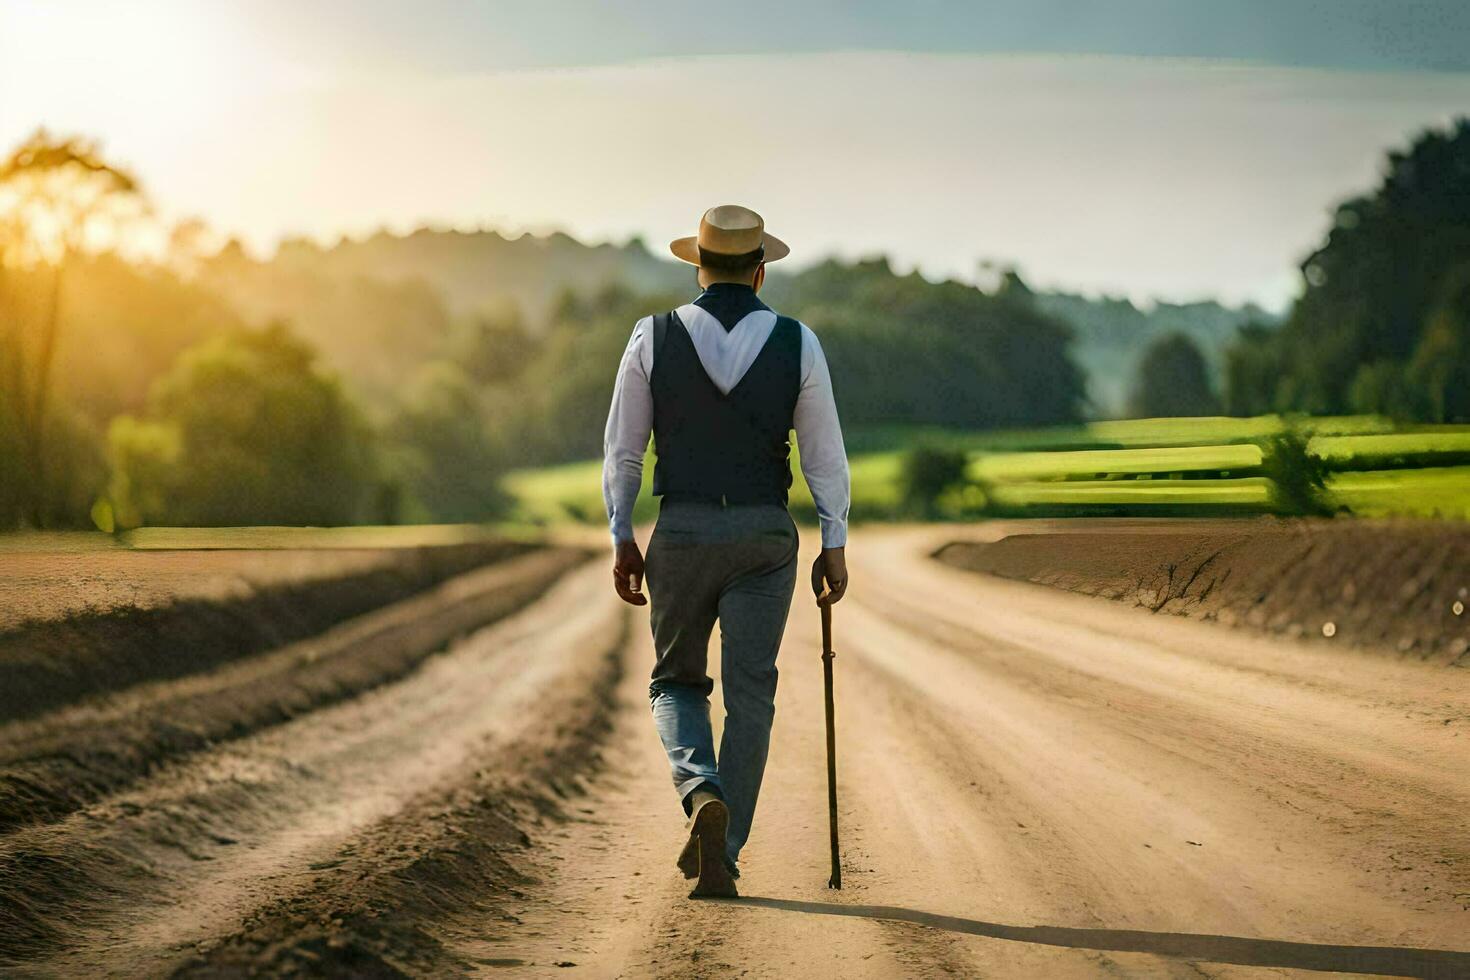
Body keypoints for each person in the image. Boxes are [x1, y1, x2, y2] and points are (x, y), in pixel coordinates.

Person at [601, 204, 851, 897]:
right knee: (752, 695)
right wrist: (835, 540)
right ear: (762, 271)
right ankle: (726, 846)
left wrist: (622, 533)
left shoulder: (650, 338)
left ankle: (700, 789)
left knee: (675, 682)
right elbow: (823, 455)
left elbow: (624, 449)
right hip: (765, 539)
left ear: (699, 266)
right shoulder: (799, 343)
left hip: (681, 531)